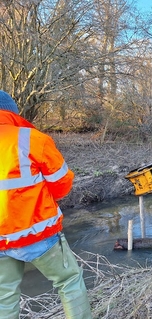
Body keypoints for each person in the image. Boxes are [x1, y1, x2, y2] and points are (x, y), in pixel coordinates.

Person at [0, 90, 92, 318]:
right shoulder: (31, 139)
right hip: (37, 233)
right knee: (69, 281)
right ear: (12, 112)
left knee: (5, 297)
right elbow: (62, 183)